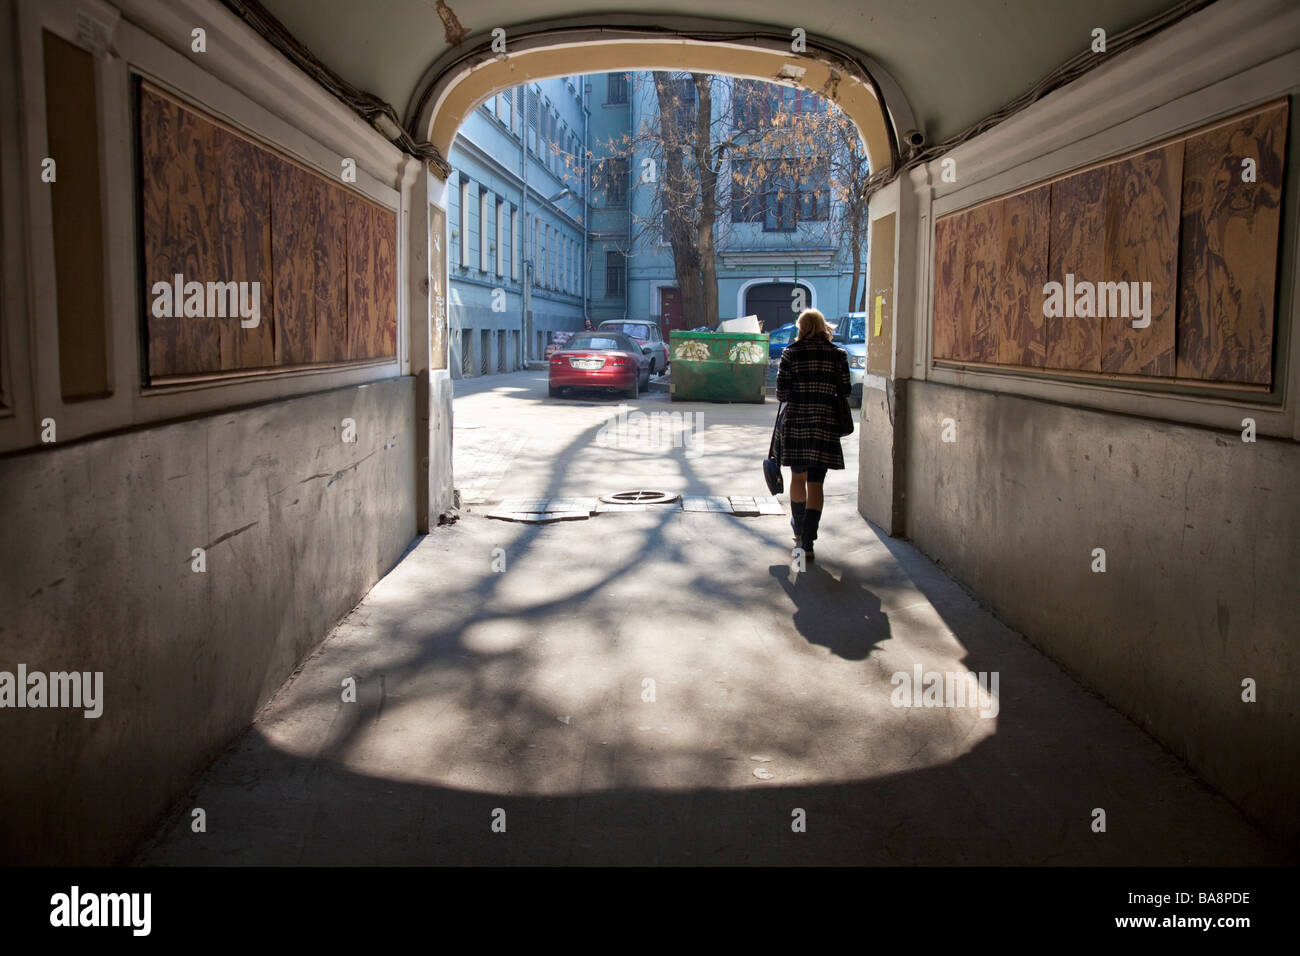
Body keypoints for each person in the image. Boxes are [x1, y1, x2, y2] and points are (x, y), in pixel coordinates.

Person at [775, 308, 851, 562]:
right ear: (823, 326)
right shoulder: (837, 355)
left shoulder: (791, 353)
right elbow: (846, 389)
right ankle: (808, 541)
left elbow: (782, 394)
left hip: (797, 422)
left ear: (801, 327)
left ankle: (798, 528)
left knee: (798, 476)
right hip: (825, 422)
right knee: (816, 482)